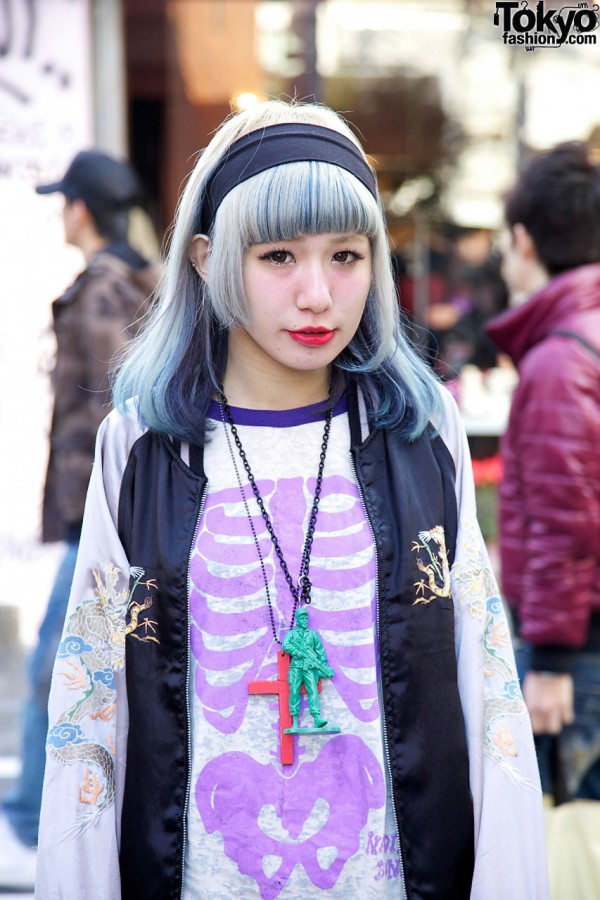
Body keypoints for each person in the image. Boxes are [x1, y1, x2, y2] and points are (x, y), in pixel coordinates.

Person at [36, 100, 548, 899]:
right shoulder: (142, 447)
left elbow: (484, 687)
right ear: (206, 259)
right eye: (279, 256)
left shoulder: (420, 433)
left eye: (346, 256)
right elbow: (88, 714)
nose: (318, 295)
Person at [0, 150, 160, 892]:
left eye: (66, 201)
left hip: (94, 518)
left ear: (83, 210)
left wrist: (91, 519)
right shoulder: (134, 282)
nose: (61, 212)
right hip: (98, 515)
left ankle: (32, 828)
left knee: (51, 673)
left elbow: (110, 411)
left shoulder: (102, 292)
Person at [486, 141, 600, 802]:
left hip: (577, 653)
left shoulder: (562, 359)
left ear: (524, 240)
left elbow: (567, 521)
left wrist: (553, 660)